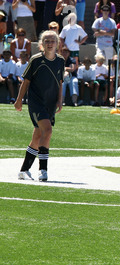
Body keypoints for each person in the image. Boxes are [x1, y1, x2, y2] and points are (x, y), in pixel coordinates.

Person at [15, 30, 64, 182]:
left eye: (52, 41)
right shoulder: (36, 60)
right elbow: (26, 81)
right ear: (42, 44)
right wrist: (19, 100)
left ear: (57, 44)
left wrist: (59, 100)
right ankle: (43, 170)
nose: (50, 44)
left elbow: (60, 82)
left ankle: (23, 170)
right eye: (47, 41)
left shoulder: (61, 61)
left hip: (50, 104)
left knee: (38, 136)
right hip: (36, 103)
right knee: (47, 131)